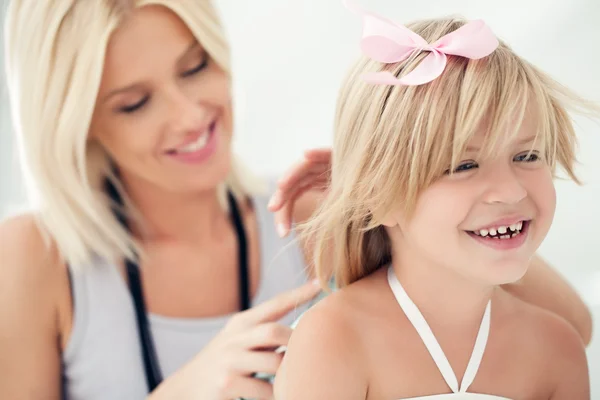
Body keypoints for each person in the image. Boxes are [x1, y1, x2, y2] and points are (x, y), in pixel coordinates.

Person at [0, 1, 591, 400]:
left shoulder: (309, 213)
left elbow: (570, 329)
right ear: (76, 124)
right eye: (135, 103)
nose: (188, 115)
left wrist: (401, 185)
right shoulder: (33, 257)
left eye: (195, 67)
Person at [274, 3, 597, 399]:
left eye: (527, 156)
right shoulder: (335, 337)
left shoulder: (556, 349)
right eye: (463, 164)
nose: (511, 191)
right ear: (376, 195)